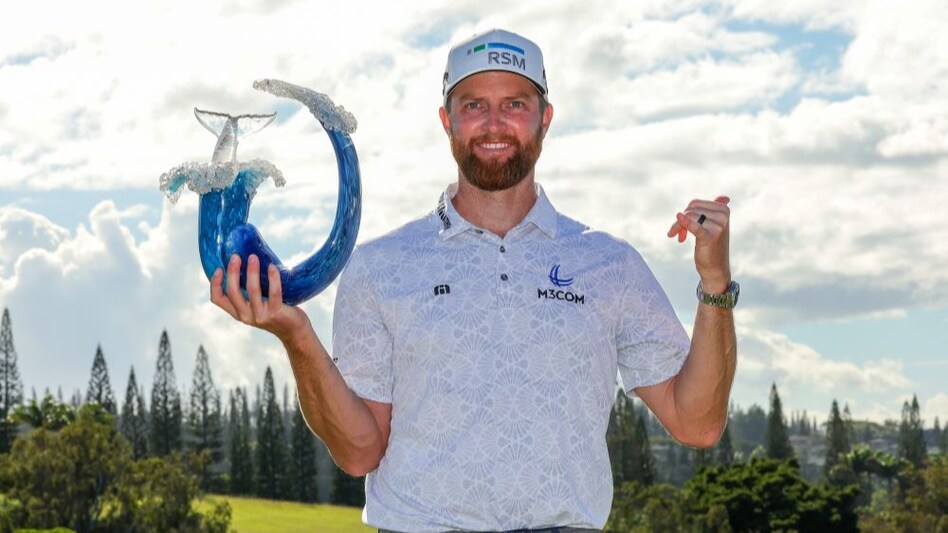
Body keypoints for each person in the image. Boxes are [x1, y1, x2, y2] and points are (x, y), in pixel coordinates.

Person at [211, 28, 737, 533]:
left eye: (514, 104)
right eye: (473, 106)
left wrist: (715, 283)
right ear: (446, 120)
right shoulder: (380, 266)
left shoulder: (609, 264)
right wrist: (296, 335)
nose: (493, 123)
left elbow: (697, 423)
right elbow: (359, 452)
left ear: (545, 119)